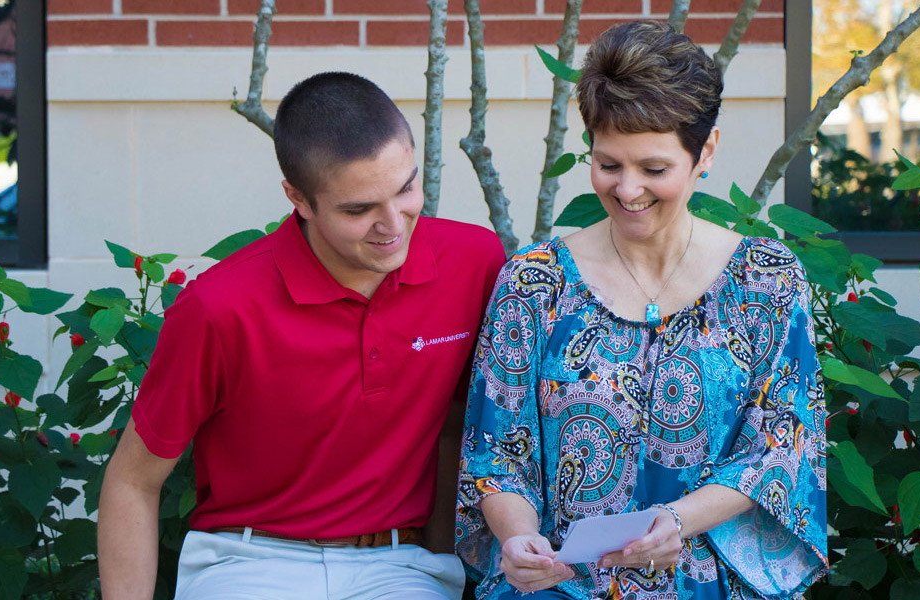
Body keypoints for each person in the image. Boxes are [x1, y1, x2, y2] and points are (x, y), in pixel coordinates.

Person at [97, 72, 507, 600]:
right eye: (358, 210)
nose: (393, 225)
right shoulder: (218, 309)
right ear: (299, 199)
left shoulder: (475, 264)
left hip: (398, 567)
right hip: (246, 563)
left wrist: (442, 556)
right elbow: (133, 481)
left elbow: (458, 426)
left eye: (406, 188)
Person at [455, 21, 828, 600]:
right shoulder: (534, 285)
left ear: (705, 152)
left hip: (712, 583)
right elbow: (495, 455)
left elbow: (781, 445)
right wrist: (520, 541)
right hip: (563, 587)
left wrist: (677, 520)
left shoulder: (766, 279)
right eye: (609, 165)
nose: (629, 191)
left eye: (654, 169)